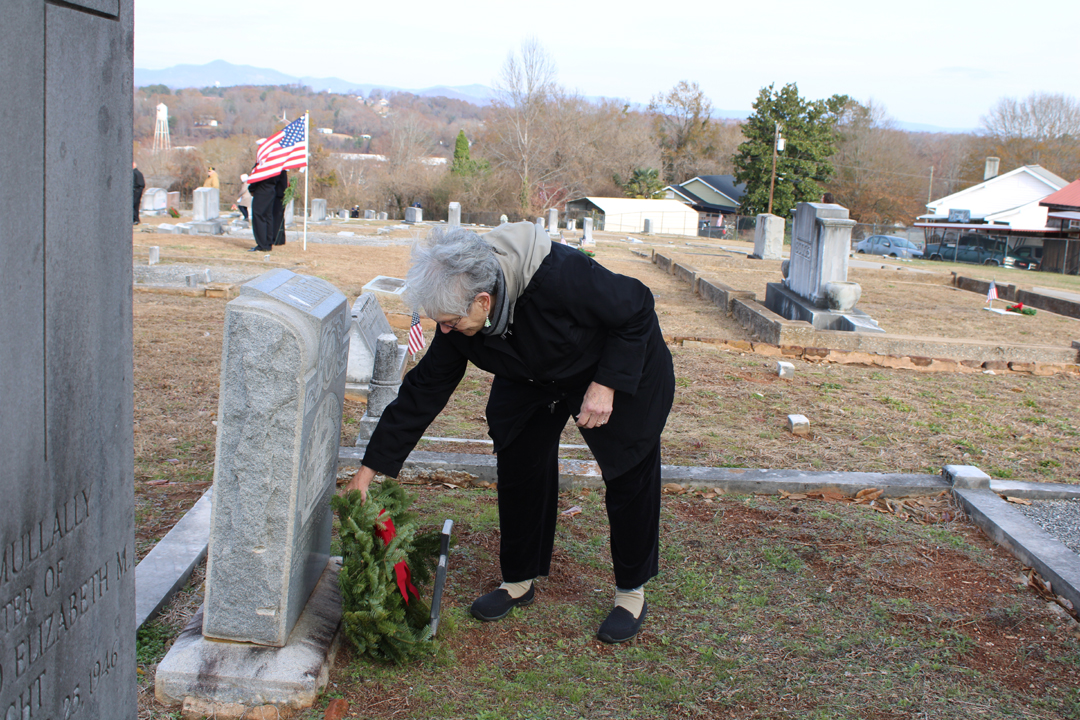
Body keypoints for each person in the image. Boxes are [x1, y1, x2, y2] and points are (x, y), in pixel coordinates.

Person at [344, 222, 675, 644]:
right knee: (520, 457)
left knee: (629, 466)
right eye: (439, 323)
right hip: (530, 373)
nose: (444, 332)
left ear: (483, 301)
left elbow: (637, 307)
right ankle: (518, 580)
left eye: (451, 322)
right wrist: (368, 473)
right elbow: (422, 393)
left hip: (611, 364)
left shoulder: (559, 275)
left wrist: (608, 382)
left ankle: (631, 591)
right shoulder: (458, 318)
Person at [248, 170, 276, 252]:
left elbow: (256, 176)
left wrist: (251, 188)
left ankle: (262, 244)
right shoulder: (275, 166)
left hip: (261, 190)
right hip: (271, 189)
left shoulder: (264, 164)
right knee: (268, 216)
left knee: (259, 216)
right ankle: (268, 243)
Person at [272, 169, 288, 246]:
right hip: (280, 195)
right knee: (279, 217)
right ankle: (280, 238)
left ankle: (277, 238)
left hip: (278, 195)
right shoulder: (283, 172)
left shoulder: (280, 171)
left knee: (277, 218)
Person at [132, 161, 145, 225]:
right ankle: (136, 219)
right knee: (136, 205)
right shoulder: (139, 173)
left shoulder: (134, 173)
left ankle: (134, 219)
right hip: (139, 190)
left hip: (135, 190)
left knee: (132, 205)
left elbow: (133, 183)